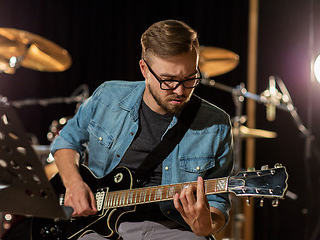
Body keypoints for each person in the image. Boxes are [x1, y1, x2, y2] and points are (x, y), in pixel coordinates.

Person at [51, 19, 234, 240]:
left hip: (175, 229)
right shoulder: (107, 96)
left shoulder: (217, 124)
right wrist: (73, 183)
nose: (180, 90)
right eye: (168, 80)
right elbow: (66, 140)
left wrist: (206, 225)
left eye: (190, 78)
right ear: (144, 70)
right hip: (96, 226)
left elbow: (218, 204)